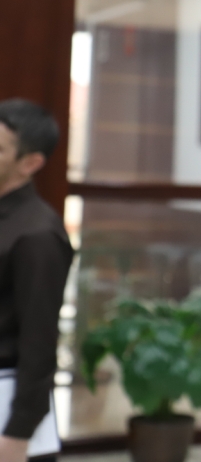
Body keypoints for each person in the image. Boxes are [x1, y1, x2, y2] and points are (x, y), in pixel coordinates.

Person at [0, 100, 74, 462]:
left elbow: (39, 339)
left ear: (30, 163)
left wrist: (18, 432)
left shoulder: (37, 234)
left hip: (7, 407)